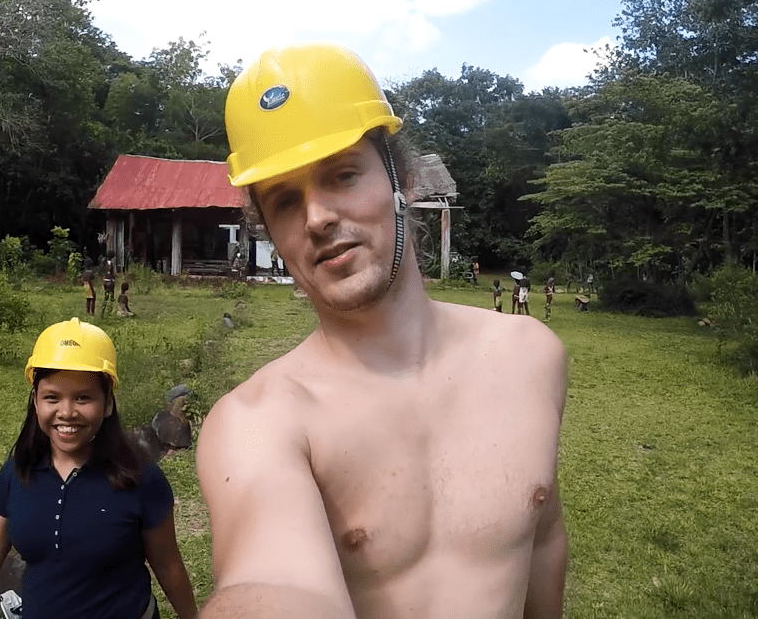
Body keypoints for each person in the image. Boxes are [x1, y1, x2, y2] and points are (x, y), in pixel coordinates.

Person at [198, 43, 567, 619]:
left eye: (342, 175)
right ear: (268, 228)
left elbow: (540, 540)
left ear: (405, 181)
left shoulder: (529, 357)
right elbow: (268, 584)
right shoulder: (258, 422)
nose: (317, 217)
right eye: (285, 202)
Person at [0, 318, 198, 619]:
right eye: (52, 397)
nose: (66, 413)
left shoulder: (141, 478)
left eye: (83, 397)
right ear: (36, 402)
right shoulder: (17, 472)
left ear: (108, 404)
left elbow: (169, 566)